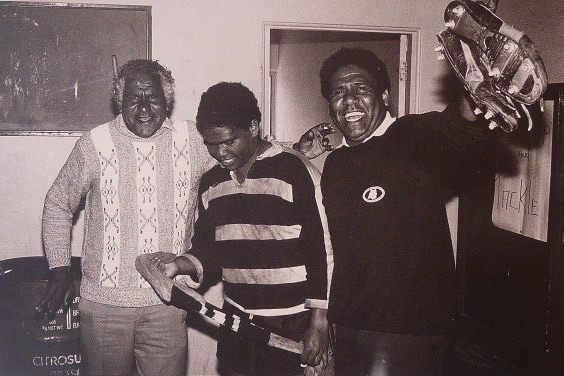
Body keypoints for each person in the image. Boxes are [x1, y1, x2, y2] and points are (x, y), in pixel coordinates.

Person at [35, 59, 330, 375]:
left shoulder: (193, 139)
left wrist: (295, 148)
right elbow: (57, 205)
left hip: (169, 303)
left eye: (154, 98)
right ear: (118, 99)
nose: (144, 108)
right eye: (134, 98)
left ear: (168, 101)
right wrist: (60, 267)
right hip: (106, 306)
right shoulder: (93, 144)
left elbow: (244, 149)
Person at [316, 47, 494, 376]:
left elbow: (456, 126)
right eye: (338, 92)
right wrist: (327, 319)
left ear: (384, 95)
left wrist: (476, 87)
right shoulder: (335, 164)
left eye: (361, 88)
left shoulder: (411, 137)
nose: (350, 100)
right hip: (349, 323)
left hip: (408, 329)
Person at [157, 82, 333, 376]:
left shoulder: (296, 171)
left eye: (228, 141)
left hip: (292, 323)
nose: (220, 152)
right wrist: (179, 265)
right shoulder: (211, 182)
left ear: (253, 127)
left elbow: (323, 249)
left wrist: (319, 322)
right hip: (236, 322)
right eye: (211, 143)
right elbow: (208, 249)